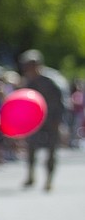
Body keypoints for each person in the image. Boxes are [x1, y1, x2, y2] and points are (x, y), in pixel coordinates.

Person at [18, 49, 67, 192]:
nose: (27, 69)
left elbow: (63, 102)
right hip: (34, 120)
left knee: (51, 150)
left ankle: (49, 180)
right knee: (31, 147)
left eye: (29, 65)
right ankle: (30, 175)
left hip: (52, 119)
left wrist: (59, 121)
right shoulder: (28, 82)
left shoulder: (52, 81)